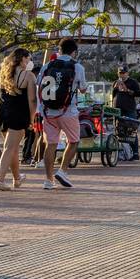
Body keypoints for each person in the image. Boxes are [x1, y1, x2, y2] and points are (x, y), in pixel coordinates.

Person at [36, 37, 87, 188]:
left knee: (50, 144)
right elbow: (82, 88)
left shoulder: (47, 66)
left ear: (59, 50)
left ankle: (48, 180)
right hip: (68, 111)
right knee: (73, 141)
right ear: (74, 52)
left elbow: (39, 84)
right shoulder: (77, 67)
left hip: (49, 112)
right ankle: (63, 170)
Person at [0, 48, 35, 190]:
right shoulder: (28, 76)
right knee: (9, 148)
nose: (30, 62)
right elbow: (32, 100)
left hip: (2, 112)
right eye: (29, 58)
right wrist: (32, 119)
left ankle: (17, 178)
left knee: (13, 148)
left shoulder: (1, 75)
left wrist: (2, 105)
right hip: (19, 114)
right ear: (23, 59)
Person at [110, 65, 140, 161]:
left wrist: (127, 89)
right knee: (118, 131)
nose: (122, 75)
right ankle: (121, 152)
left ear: (127, 73)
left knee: (131, 130)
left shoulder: (132, 82)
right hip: (118, 110)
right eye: (120, 73)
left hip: (129, 109)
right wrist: (115, 88)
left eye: (123, 73)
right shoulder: (116, 82)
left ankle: (135, 153)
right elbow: (112, 95)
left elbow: (138, 93)